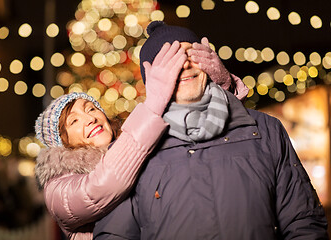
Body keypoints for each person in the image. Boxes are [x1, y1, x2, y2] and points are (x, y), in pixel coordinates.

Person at [93, 21, 329, 240]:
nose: (184, 64)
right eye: (170, 60)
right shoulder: (130, 152)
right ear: (152, 78)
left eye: (190, 54)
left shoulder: (265, 130)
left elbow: (304, 222)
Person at [34, 39, 245, 239]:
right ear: (62, 141)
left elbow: (200, 132)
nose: (90, 118)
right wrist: (153, 105)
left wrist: (223, 88)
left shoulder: (138, 144)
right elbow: (101, 187)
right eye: (74, 121)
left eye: (91, 108)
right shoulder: (57, 188)